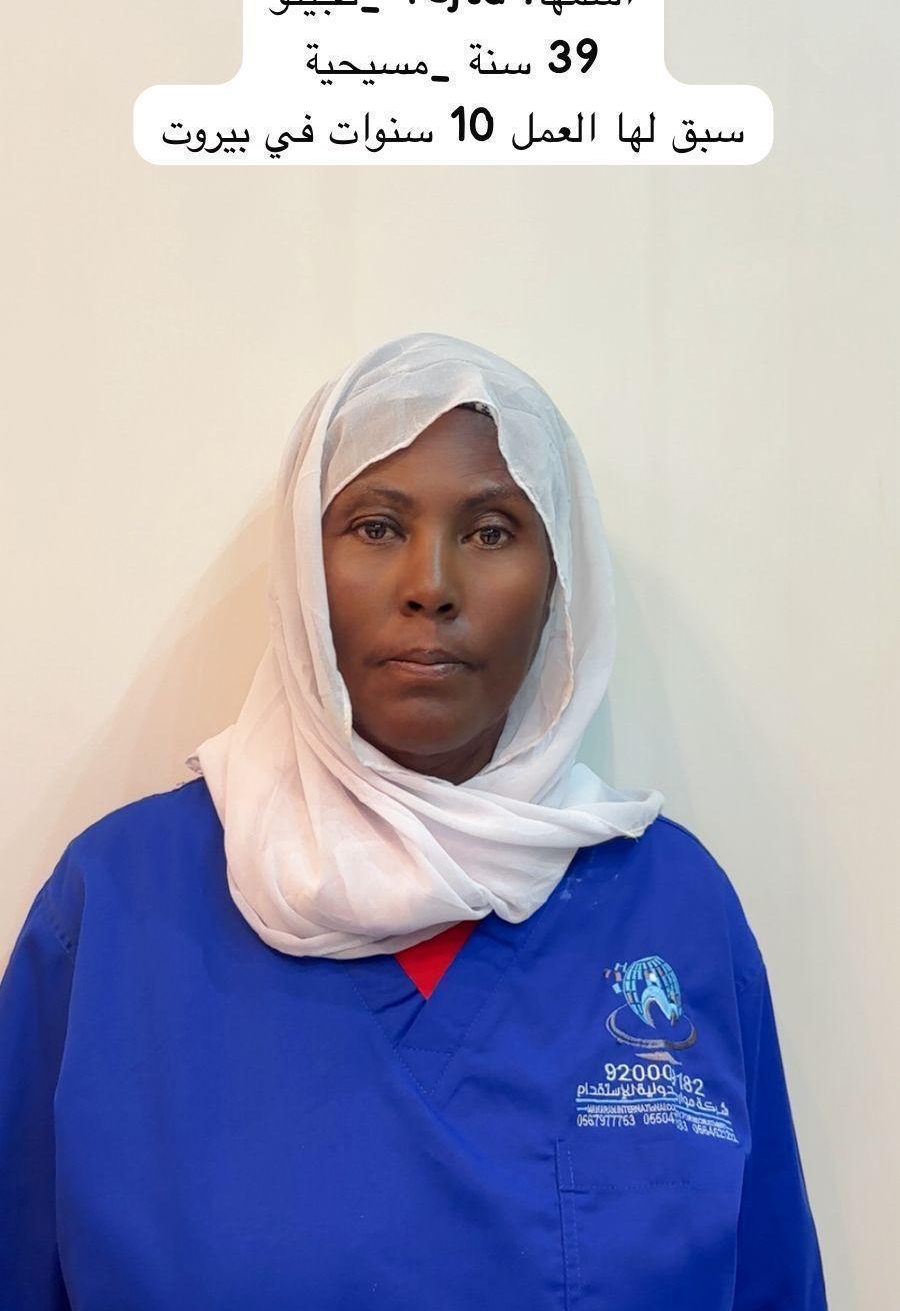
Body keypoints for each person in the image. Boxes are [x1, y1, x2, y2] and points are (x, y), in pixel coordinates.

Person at [0, 331, 827, 1309]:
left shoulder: (673, 914)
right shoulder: (115, 911)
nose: (430, 584)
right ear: (303, 573)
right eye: (377, 525)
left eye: (491, 531)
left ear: (561, 586)